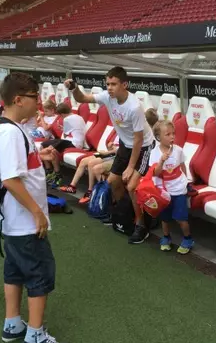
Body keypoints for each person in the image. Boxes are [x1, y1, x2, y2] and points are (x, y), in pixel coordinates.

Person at [0, 72, 69, 343]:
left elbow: (21, 164)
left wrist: (41, 154)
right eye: (35, 96)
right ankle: (35, 336)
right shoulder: (10, 132)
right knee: (39, 272)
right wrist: (38, 213)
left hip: (13, 221)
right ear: (18, 99)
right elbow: (11, 180)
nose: (39, 101)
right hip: (24, 221)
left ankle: (12, 324)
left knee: (14, 270)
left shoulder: (14, 127)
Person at [64, 67, 155, 243]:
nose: (110, 88)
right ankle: (123, 213)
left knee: (131, 186)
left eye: (114, 84)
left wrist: (130, 167)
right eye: (108, 84)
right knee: (113, 181)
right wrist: (74, 88)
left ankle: (141, 225)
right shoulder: (107, 97)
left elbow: (138, 140)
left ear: (124, 84)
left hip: (143, 146)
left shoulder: (134, 107)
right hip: (125, 145)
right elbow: (82, 99)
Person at [59, 109, 158, 204]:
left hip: (114, 156)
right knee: (84, 161)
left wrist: (108, 152)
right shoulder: (126, 129)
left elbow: (127, 151)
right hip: (112, 153)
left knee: (92, 165)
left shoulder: (143, 135)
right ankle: (74, 186)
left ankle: (94, 193)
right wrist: (109, 147)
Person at [149, 120, 194, 253]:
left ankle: (188, 239)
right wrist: (162, 161)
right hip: (163, 191)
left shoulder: (178, 150)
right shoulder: (154, 153)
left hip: (178, 190)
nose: (172, 137)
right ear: (158, 137)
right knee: (165, 217)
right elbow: (155, 172)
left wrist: (185, 182)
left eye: (173, 134)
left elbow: (182, 166)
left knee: (181, 218)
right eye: (167, 134)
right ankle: (166, 237)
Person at [42, 103, 86, 188]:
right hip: (75, 141)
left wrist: (63, 129)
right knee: (46, 144)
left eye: (61, 116)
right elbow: (73, 131)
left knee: (51, 150)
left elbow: (65, 135)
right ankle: (53, 172)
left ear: (62, 114)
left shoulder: (67, 120)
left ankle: (57, 174)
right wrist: (64, 128)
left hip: (74, 143)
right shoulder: (78, 117)